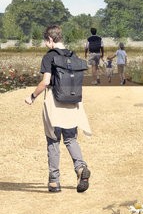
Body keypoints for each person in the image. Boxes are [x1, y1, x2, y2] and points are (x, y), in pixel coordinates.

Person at [25, 25, 92, 193]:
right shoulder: (73, 55)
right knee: (71, 139)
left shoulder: (49, 57)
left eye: (45, 41)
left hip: (55, 103)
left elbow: (46, 82)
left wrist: (32, 96)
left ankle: (54, 182)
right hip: (72, 104)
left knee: (53, 141)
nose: (45, 45)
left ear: (50, 39)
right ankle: (81, 168)